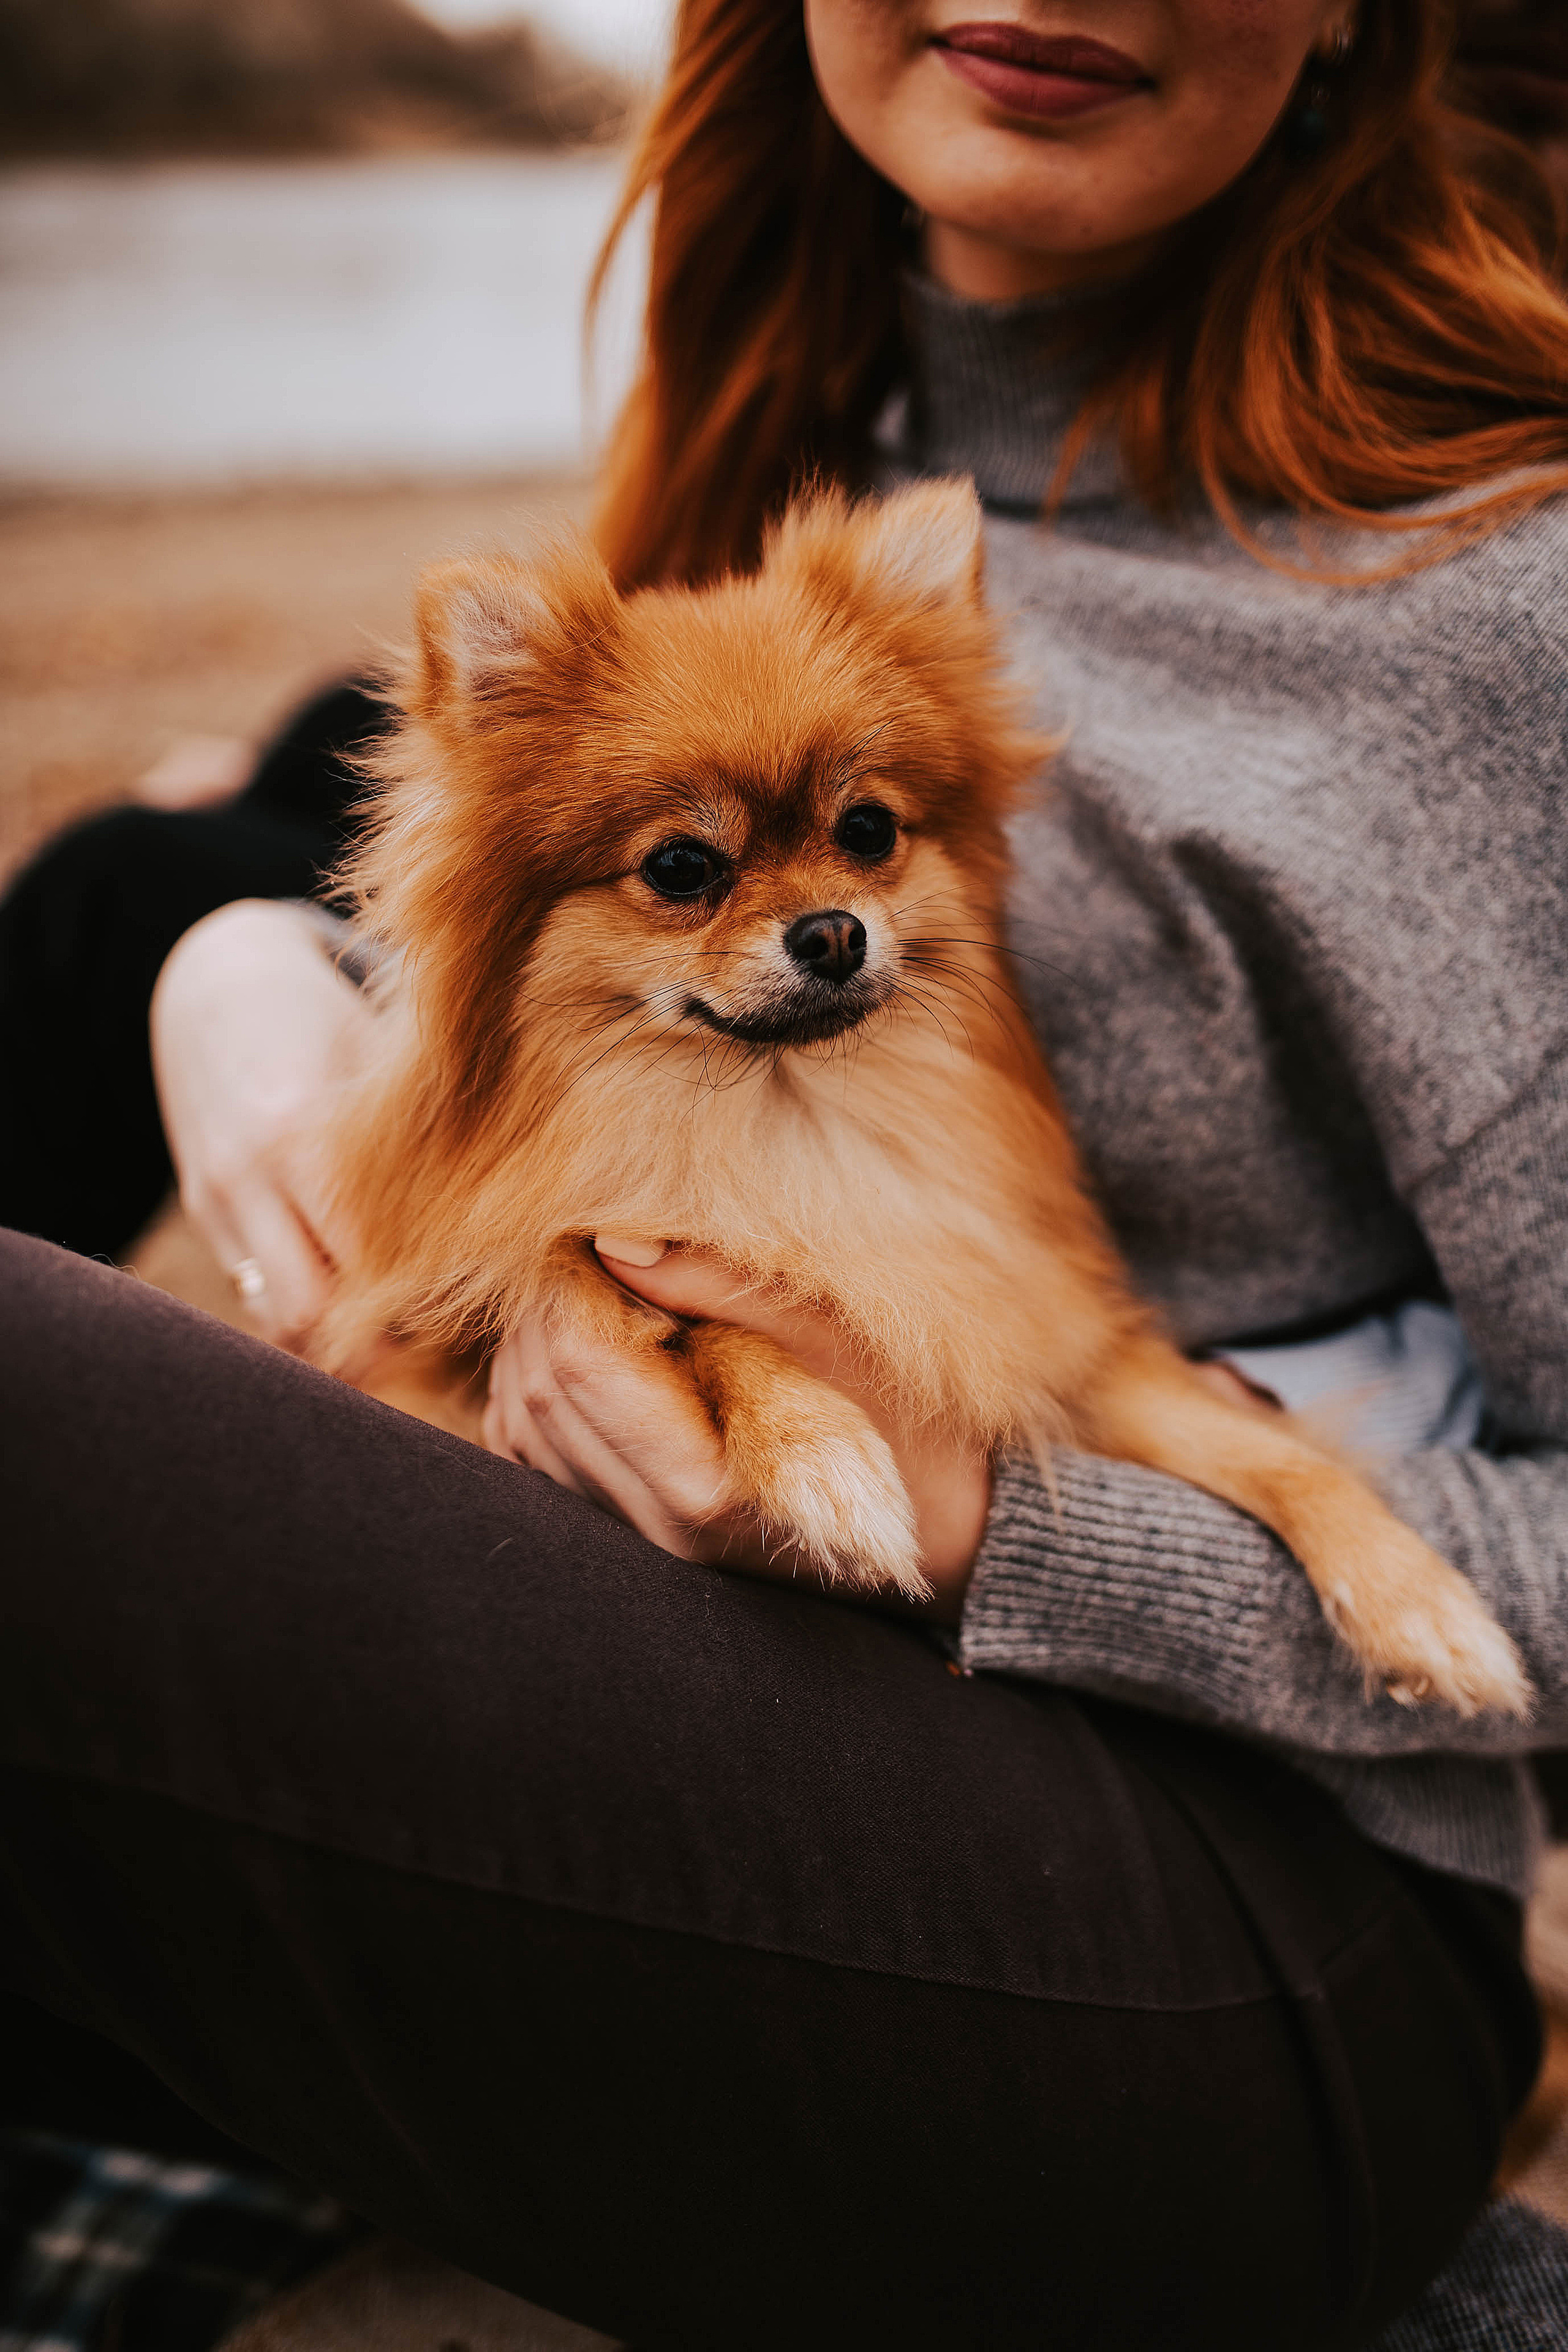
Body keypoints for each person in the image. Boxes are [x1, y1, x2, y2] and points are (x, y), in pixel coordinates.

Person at [4, 2, 1568, 2345]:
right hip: (778, 1743)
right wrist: (232, 951)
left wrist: (1011, 1524)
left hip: (1250, 1935)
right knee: (111, 907)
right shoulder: (817, 433)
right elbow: (393, 804)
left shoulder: (1480, 635)